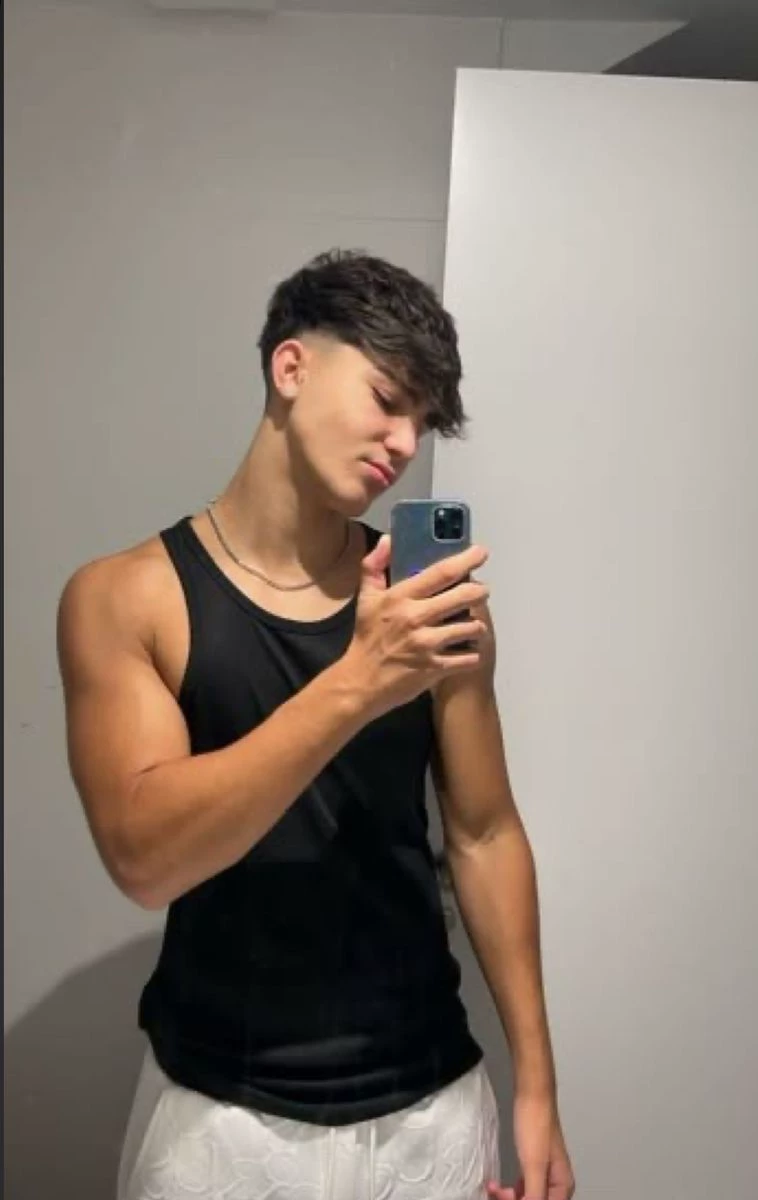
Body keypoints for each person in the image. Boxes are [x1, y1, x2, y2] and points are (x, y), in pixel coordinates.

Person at [57, 249, 575, 1200]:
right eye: (387, 398)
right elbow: (145, 861)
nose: (404, 442)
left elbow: (485, 832)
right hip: (219, 1117)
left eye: (422, 421)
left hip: (429, 1109)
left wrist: (537, 1085)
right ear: (291, 367)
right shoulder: (126, 598)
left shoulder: (426, 603)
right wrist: (357, 684)